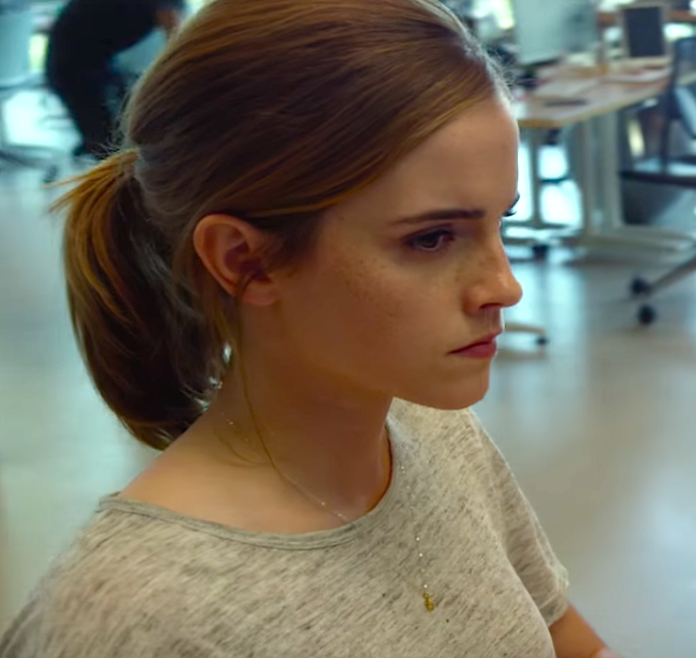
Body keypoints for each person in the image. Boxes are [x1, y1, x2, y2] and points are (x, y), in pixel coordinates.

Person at [1, 1, 618, 656]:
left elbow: (560, 635)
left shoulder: (430, 428)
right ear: (245, 262)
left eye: (501, 223)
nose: (505, 286)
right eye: (432, 238)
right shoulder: (130, 621)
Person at [44, 0, 185, 159]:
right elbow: (177, 47)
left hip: (91, 59)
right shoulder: (165, 6)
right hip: (75, 65)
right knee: (107, 141)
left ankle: (106, 152)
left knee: (113, 131)